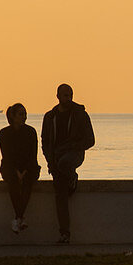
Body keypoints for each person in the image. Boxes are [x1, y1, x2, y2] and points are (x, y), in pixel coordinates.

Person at [41, 83, 95, 243]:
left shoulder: (80, 115)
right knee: (60, 195)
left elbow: (90, 140)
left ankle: (72, 179)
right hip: (56, 161)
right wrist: (50, 162)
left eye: (70, 94)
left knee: (65, 163)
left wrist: (72, 146)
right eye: (65, 95)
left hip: (74, 155)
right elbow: (45, 142)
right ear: (57, 96)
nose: (68, 98)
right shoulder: (50, 117)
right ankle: (65, 233)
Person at [0, 102, 41, 233]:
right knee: (13, 182)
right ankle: (20, 217)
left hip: (30, 167)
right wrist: (16, 171)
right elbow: (6, 155)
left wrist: (25, 171)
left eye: (25, 114)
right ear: (13, 116)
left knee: (28, 182)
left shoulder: (31, 132)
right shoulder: (4, 133)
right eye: (21, 114)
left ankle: (18, 217)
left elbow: (33, 154)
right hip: (9, 167)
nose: (24, 117)